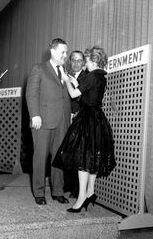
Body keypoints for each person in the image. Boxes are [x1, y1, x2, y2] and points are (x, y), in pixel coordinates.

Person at [52, 45, 116, 212]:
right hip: (97, 119)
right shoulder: (101, 77)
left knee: (83, 161)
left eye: (86, 61)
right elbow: (89, 96)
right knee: (92, 158)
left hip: (86, 119)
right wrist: (75, 83)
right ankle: (90, 192)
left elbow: (74, 95)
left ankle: (80, 199)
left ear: (93, 61)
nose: (85, 65)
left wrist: (67, 82)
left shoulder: (90, 76)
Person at [26, 38, 71, 205]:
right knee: (40, 157)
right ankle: (39, 192)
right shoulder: (39, 69)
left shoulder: (64, 71)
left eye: (66, 52)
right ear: (52, 51)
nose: (65, 55)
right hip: (42, 120)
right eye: (62, 52)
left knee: (59, 158)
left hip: (62, 121)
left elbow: (65, 94)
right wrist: (35, 115)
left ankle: (57, 191)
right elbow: (31, 93)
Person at [63, 50, 88, 198]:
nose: (76, 63)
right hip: (66, 118)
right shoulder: (66, 77)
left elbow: (86, 99)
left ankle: (78, 189)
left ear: (84, 62)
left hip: (81, 119)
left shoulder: (87, 77)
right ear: (70, 61)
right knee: (68, 152)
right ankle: (68, 184)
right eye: (74, 60)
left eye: (79, 60)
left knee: (79, 153)